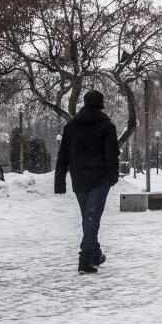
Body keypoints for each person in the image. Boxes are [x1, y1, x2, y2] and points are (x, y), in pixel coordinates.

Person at [54, 90, 120, 274]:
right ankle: (84, 260)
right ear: (100, 104)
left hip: (79, 179)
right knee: (91, 219)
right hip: (99, 180)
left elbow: (63, 156)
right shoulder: (107, 126)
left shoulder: (71, 126)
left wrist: (60, 181)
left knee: (88, 218)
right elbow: (111, 155)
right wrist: (112, 177)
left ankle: (96, 254)